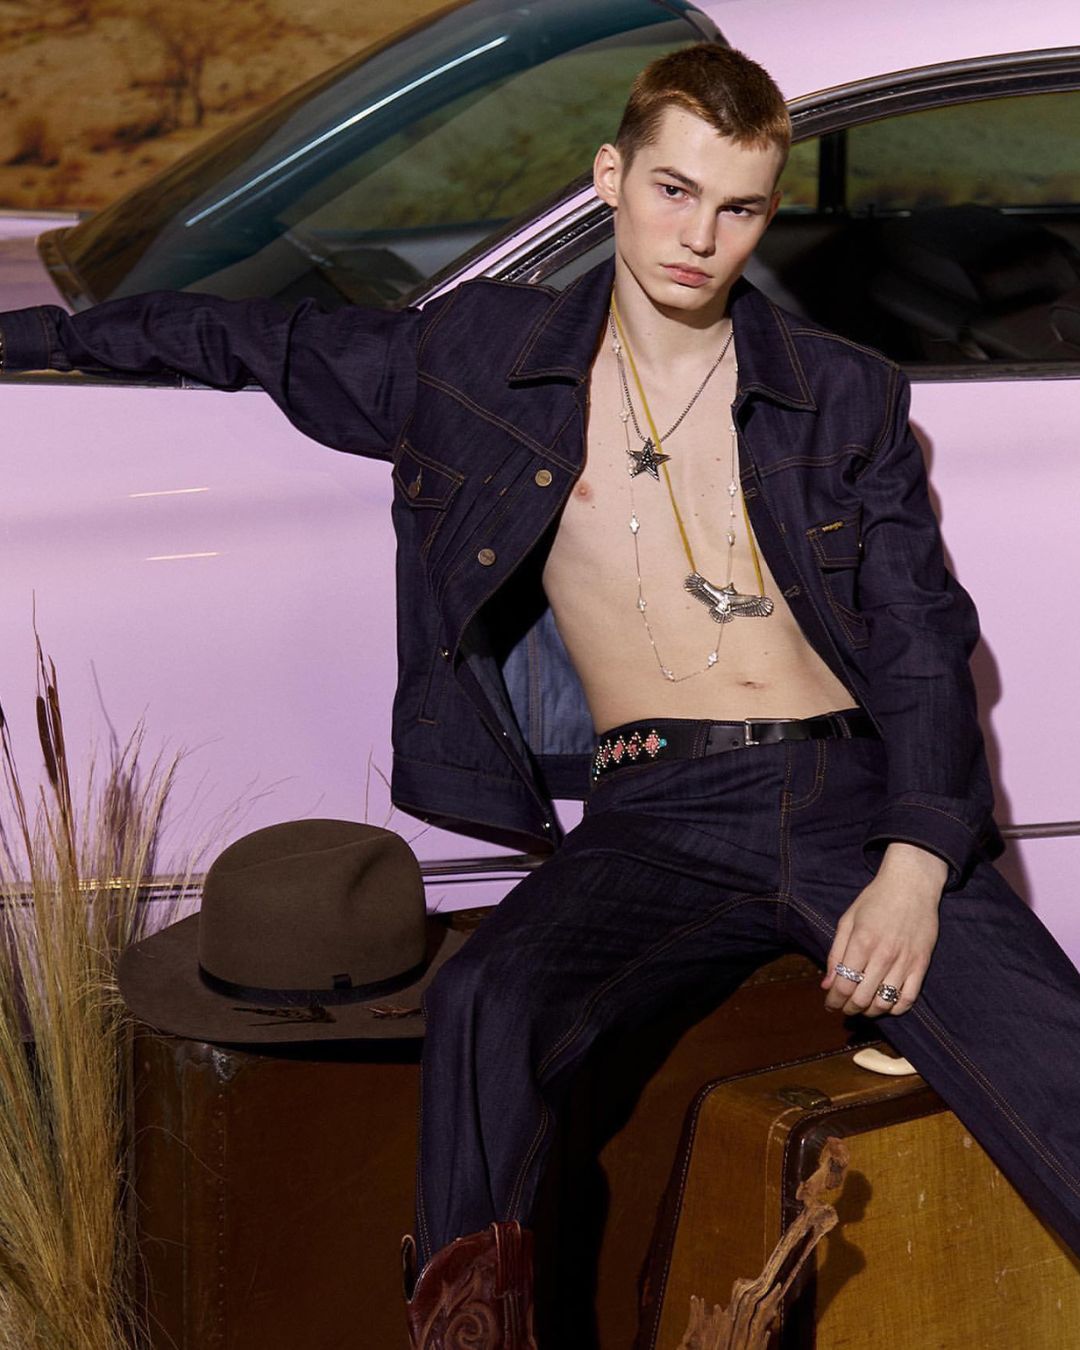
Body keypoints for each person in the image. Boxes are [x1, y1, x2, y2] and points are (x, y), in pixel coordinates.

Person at [3, 42, 1080, 1350]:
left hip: (843, 789)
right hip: (655, 813)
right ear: (610, 177)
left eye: (739, 207)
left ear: (768, 211)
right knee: (485, 1006)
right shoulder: (477, 361)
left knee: (1058, 1071)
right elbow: (255, 338)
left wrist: (914, 862)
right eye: (674, 192)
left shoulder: (837, 391)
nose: (700, 238)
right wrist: (38, 336)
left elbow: (921, 637)